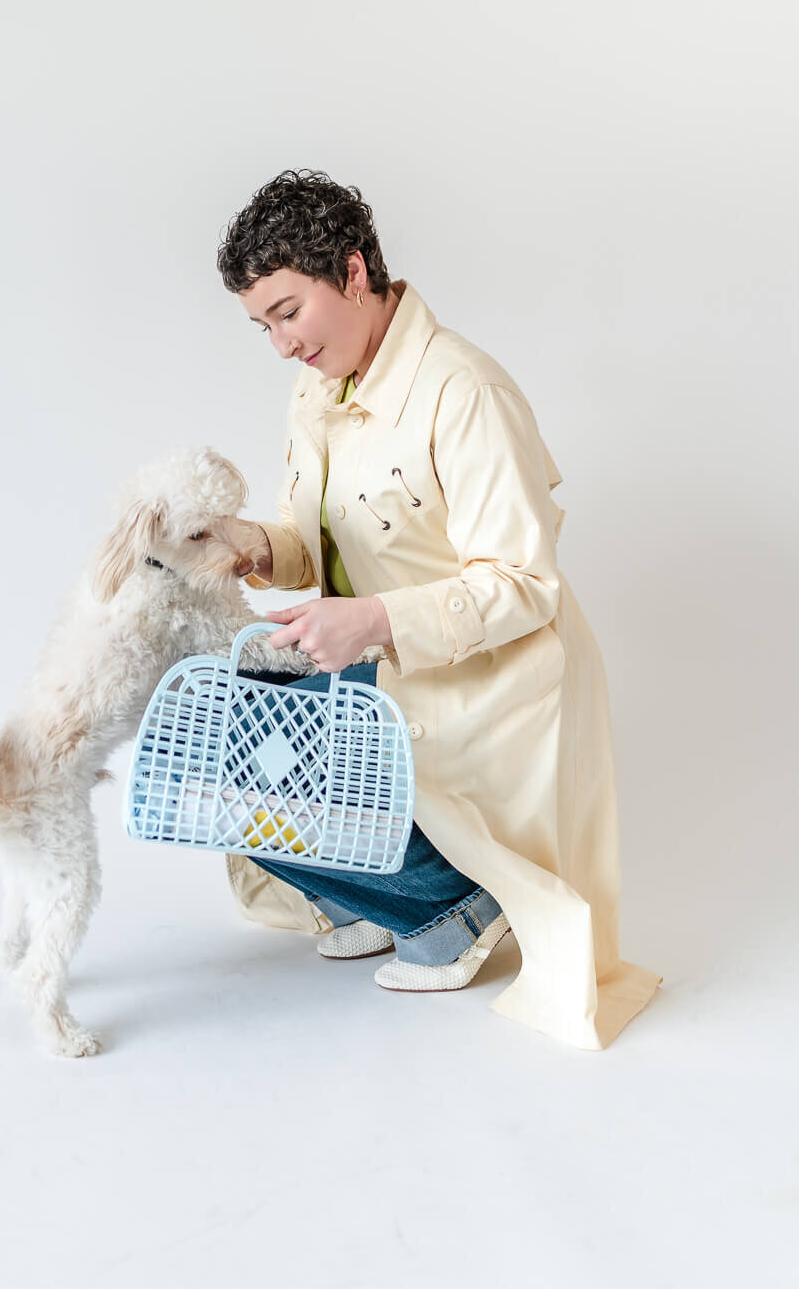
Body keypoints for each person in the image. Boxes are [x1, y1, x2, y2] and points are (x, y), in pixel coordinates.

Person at [215, 169, 660, 1049]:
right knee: (223, 748)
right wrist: (255, 547)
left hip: (492, 684)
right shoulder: (319, 390)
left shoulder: (466, 393)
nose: (279, 345)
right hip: (377, 663)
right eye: (261, 325)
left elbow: (525, 584)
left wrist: (373, 620)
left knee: (275, 762)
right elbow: (319, 538)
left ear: (351, 273)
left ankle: (453, 903)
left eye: (288, 312)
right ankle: (392, 897)